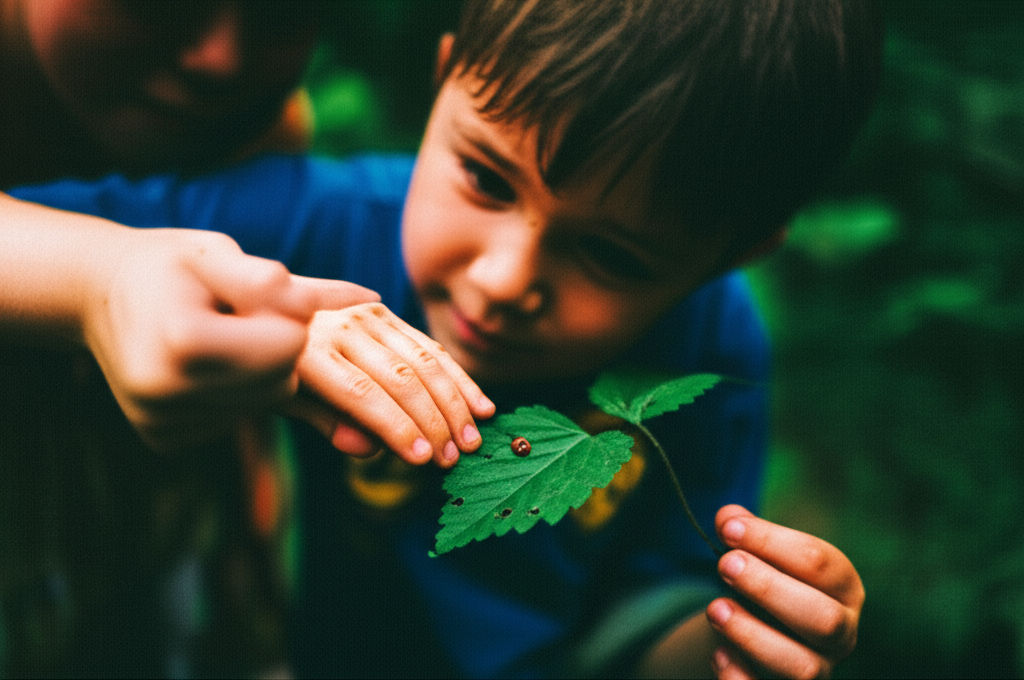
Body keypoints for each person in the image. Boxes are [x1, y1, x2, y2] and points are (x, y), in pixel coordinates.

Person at [10, 0, 884, 676]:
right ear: (445, 80)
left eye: (610, 255)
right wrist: (104, 279)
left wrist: (737, 641)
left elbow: (648, 621)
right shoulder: (324, 233)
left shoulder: (715, 353)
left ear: (731, 255)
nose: (503, 280)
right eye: (483, 177)